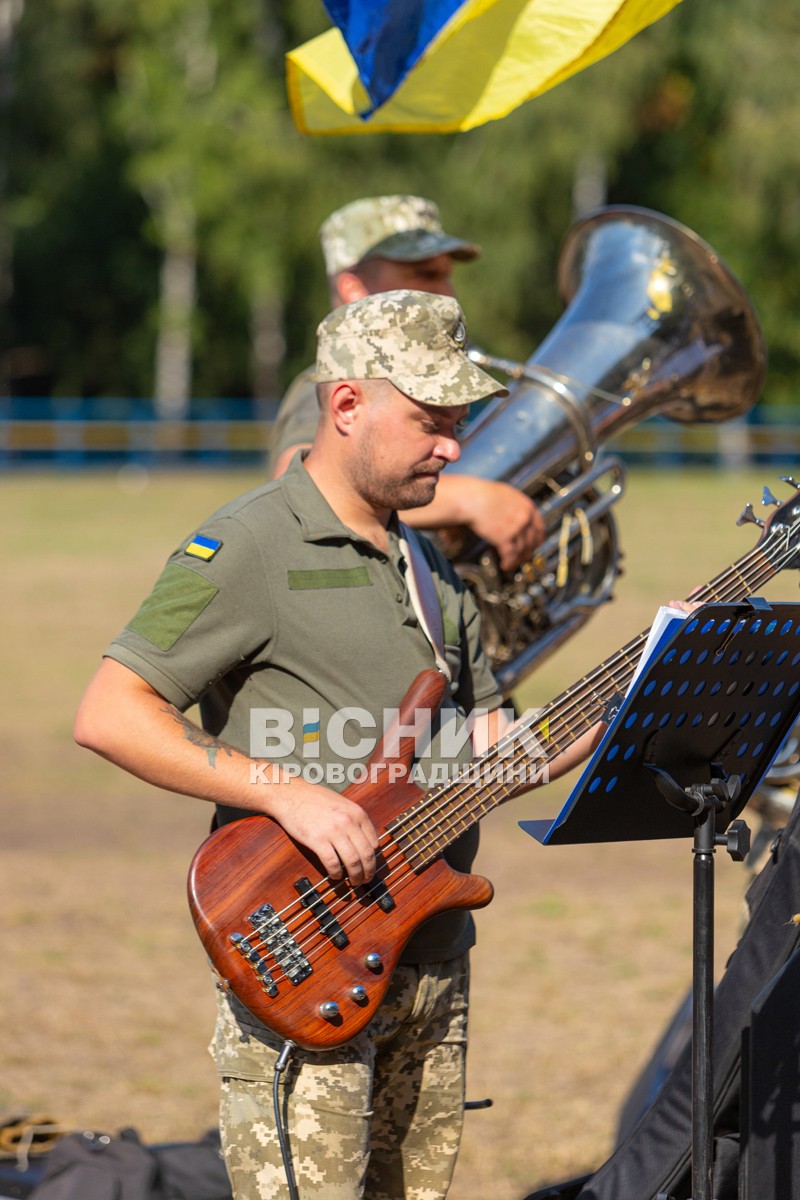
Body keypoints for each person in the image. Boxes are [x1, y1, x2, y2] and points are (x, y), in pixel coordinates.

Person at [75, 291, 599, 1200]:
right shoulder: (244, 546)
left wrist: (613, 707)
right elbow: (111, 711)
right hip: (301, 959)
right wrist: (287, 793)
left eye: (459, 421)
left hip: (430, 962)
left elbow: (482, 745)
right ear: (346, 405)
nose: (453, 446)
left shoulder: (430, 565)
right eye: (430, 421)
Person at [269, 195, 545, 574]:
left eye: (448, 275)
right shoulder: (327, 381)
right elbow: (298, 484)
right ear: (354, 288)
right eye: (425, 275)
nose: (448, 292)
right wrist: (474, 500)